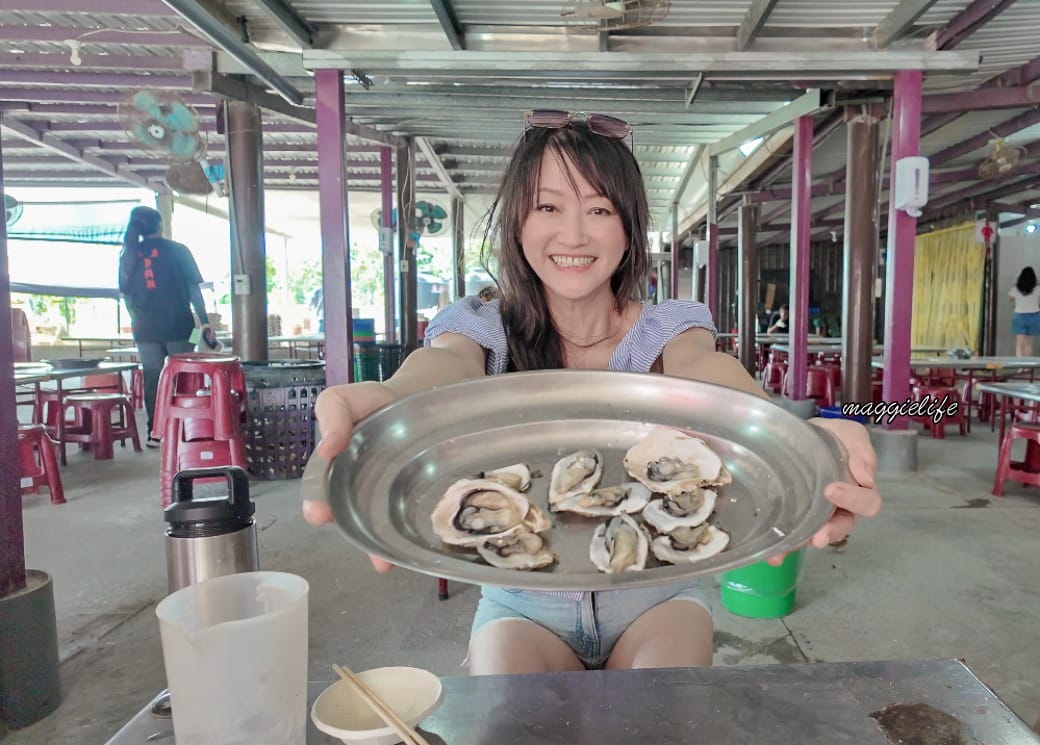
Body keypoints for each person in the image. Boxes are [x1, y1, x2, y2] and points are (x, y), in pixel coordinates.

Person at [303, 113, 881, 675]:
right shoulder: (481, 323)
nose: (574, 234)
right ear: (517, 222)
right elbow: (444, 364)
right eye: (548, 206)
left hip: (657, 595)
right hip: (520, 602)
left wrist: (789, 434)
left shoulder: (669, 327)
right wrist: (387, 395)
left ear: (628, 228)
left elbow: (709, 371)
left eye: (599, 209)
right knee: (513, 716)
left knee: (661, 715)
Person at [118, 205, 211, 447]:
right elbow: (193, 289)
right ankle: (186, 430)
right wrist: (204, 321)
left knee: (153, 379)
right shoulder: (178, 251)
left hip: (145, 330)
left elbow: (126, 296)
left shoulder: (129, 254)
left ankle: (155, 432)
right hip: (181, 326)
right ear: (159, 224)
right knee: (184, 376)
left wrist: (138, 317)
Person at [1008, 267, 1040, 356]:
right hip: (1034, 316)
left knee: (1019, 344)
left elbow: (1010, 298)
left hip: (1019, 316)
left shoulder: (1015, 288)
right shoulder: (1038, 288)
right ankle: (1028, 364)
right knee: (1029, 344)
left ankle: (1019, 364)